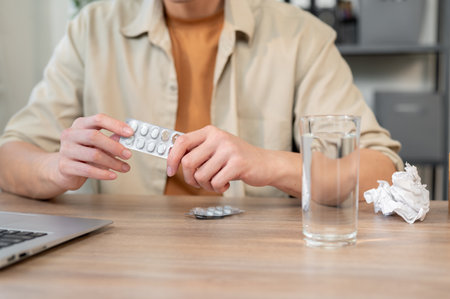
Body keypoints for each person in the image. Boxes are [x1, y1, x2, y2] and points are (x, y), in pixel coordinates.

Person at [0, 0, 402, 200]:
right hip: (123, 263)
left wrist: (269, 163)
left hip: (255, 264)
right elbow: (9, 155)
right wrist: (55, 167)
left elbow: (383, 172)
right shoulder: (90, 29)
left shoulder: (302, 36)